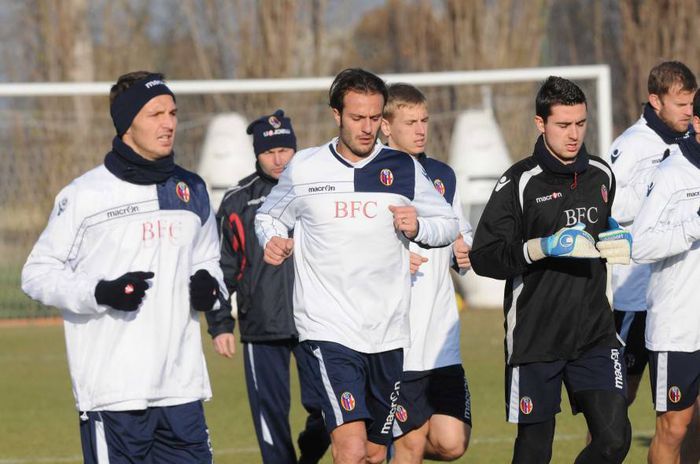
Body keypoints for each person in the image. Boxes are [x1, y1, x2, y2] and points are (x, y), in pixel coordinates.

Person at [255, 68, 459, 464]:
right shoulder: (307, 168)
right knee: (349, 450)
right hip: (328, 328)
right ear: (336, 115)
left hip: (388, 330)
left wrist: (419, 226)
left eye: (374, 118)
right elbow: (269, 216)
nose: (367, 128)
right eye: (356, 118)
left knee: (374, 451)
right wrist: (273, 239)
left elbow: (447, 224)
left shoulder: (402, 168)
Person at [21, 71, 226, 463]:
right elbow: (37, 273)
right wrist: (100, 291)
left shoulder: (192, 189)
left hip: (182, 388)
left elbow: (208, 261)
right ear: (126, 124)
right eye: (155, 114)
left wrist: (209, 285)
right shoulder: (84, 196)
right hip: (114, 391)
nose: (169, 123)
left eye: (172, 112)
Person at [470, 76, 632, 464]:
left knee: (613, 440)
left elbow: (605, 226)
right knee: (534, 451)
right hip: (535, 336)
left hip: (594, 333)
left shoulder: (601, 174)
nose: (573, 135)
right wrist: (542, 247)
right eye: (563, 125)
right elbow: (484, 256)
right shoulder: (519, 181)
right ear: (540, 124)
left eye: (580, 124)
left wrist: (617, 238)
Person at [205, 109, 329, 464]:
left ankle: (309, 452)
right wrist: (219, 325)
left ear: (295, 149)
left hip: (315, 322)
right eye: (269, 152)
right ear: (257, 154)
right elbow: (221, 268)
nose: (278, 158)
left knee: (327, 410)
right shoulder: (237, 200)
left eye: (284, 150)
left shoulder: (317, 191)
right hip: (260, 326)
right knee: (270, 421)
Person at [379, 83, 472, 463]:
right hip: (398, 340)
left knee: (452, 443)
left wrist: (461, 252)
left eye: (424, 121)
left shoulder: (443, 176)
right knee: (412, 444)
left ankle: (376, 445)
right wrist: (394, 260)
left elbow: (458, 231)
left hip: (441, 337)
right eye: (410, 122)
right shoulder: (373, 177)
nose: (420, 130)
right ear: (386, 126)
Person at [606, 61, 696, 408]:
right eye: (680, 104)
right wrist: (654, 185)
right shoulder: (631, 145)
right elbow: (608, 207)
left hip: (679, 299)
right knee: (619, 401)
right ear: (655, 101)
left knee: (684, 410)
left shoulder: (690, 143)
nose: (688, 112)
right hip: (636, 296)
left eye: (691, 103)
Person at [631, 88, 700, 464]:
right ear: (698, 123)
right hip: (679, 326)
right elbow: (639, 245)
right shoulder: (672, 173)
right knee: (674, 426)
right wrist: (694, 226)